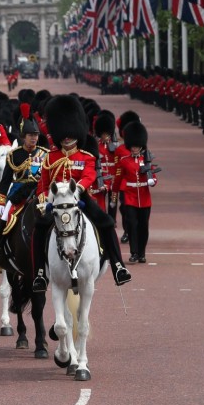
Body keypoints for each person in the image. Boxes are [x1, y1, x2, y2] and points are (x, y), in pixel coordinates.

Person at [31, 94, 131, 292]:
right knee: (39, 229)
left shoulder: (85, 156)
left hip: (80, 198)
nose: (67, 136)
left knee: (106, 223)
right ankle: (40, 273)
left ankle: (118, 267)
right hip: (56, 200)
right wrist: (43, 198)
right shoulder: (51, 157)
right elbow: (43, 182)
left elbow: (89, 175)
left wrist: (78, 189)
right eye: (64, 133)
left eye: (70, 133)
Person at [0, 111, 47, 267]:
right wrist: (1, 202)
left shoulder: (45, 154)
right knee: (6, 218)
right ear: (23, 136)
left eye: (36, 134)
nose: (33, 138)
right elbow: (6, 181)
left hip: (40, 192)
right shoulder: (14, 155)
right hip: (18, 194)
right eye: (30, 135)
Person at [111, 122, 156, 264]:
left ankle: (142, 253)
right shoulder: (124, 161)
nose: (135, 148)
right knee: (132, 224)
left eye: (137, 146)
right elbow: (118, 179)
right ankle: (134, 252)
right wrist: (114, 195)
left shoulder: (147, 160)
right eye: (133, 146)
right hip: (130, 197)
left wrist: (152, 181)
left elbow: (154, 177)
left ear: (141, 146)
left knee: (143, 226)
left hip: (144, 197)